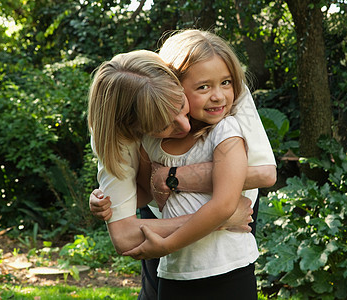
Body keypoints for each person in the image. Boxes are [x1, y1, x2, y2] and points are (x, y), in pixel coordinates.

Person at [88, 45, 276, 300]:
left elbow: (265, 176)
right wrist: (106, 200)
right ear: (135, 129)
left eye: (181, 106)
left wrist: (172, 178)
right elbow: (128, 227)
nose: (185, 124)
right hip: (174, 262)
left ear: (178, 83)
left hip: (227, 254)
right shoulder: (121, 135)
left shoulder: (220, 95)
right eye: (163, 125)